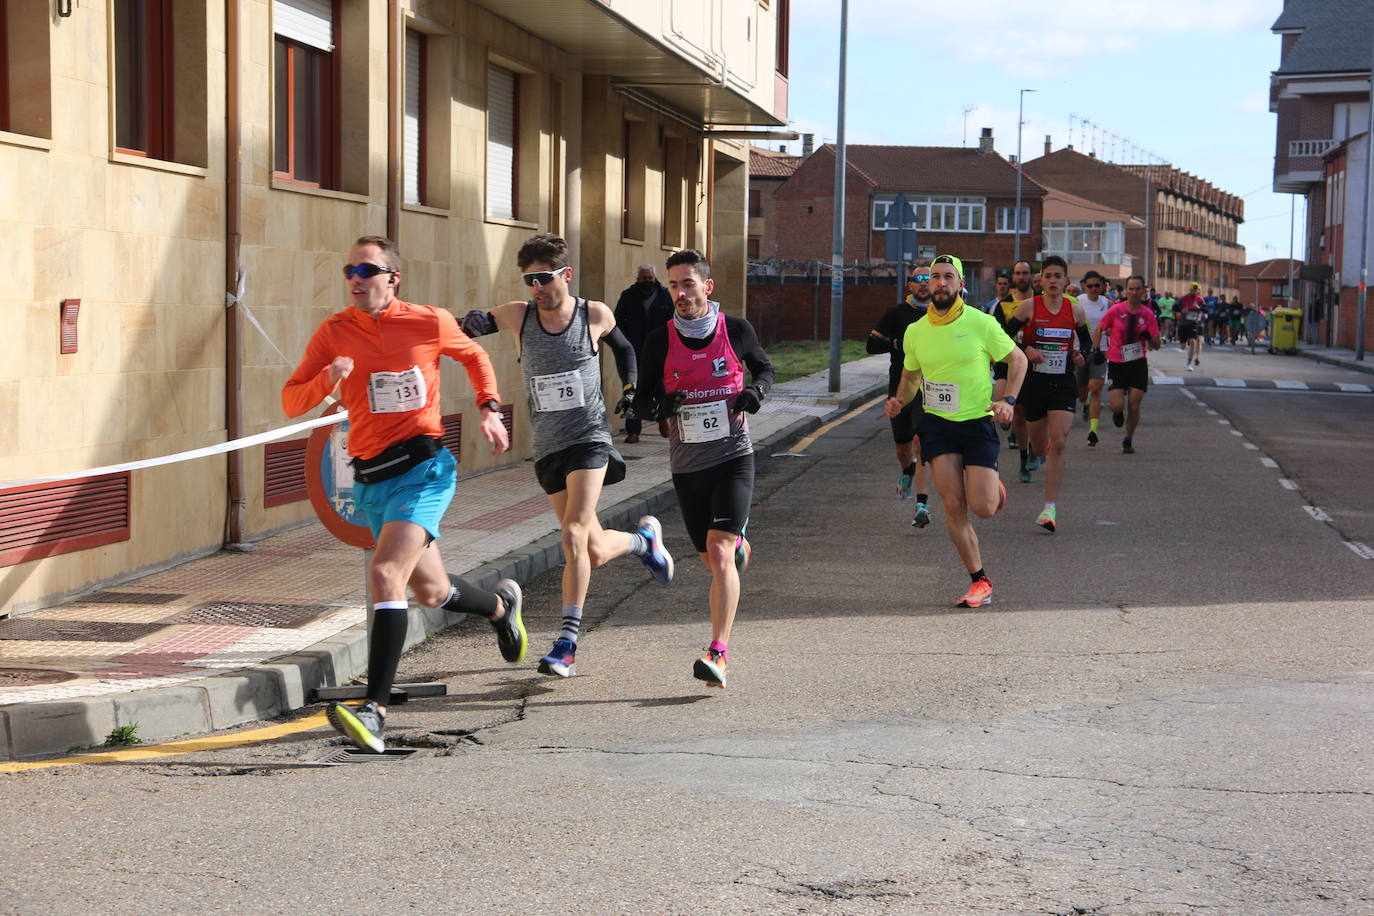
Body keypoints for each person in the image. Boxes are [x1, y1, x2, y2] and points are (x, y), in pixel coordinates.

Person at [282, 235, 524, 753]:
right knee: (431, 593)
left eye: (367, 270)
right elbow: (290, 400)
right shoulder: (334, 332)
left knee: (385, 573)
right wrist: (329, 376)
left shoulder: (428, 320)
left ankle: (374, 711)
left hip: (425, 469)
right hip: (372, 477)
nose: (355, 278)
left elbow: (475, 354)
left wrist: (489, 406)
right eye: (350, 269)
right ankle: (502, 609)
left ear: (393, 278)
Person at [461, 234, 673, 679]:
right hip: (548, 448)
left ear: (566, 274)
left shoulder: (592, 314)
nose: (536, 287)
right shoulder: (518, 317)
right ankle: (642, 542)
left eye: (544, 278)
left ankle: (566, 644)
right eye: (529, 280)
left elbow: (626, 349)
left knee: (574, 533)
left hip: (590, 438)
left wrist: (632, 390)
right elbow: (465, 327)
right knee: (591, 549)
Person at [634, 249, 774, 689]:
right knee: (713, 560)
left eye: (688, 283)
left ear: (706, 287)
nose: (679, 292)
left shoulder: (735, 329)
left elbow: (765, 369)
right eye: (673, 285)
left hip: (734, 457)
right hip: (686, 464)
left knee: (718, 551)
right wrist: (653, 406)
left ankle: (718, 652)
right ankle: (736, 547)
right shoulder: (659, 340)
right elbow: (642, 399)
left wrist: (755, 392)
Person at [885, 254, 1028, 608]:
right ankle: (980, 580)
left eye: (949, 276)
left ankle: (992, 489)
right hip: (937, 424)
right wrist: (899, 401)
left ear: (961, 284)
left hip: (977, 422)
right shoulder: (915, 331)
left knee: (982, 507)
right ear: (927, 284)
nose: (941, 283)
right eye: (935, 277)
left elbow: (1018, 360)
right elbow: (911, 377)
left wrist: (1008, 398)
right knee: (953, 505)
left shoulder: (981, 323)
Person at [1004, 255, 1091, 533]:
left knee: (1060, 443)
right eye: (1048, 276)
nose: (1053, 281)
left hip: (1063, 383)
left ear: (1066, 281)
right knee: (1042, 447)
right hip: (1034, 383)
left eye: (1058, 276)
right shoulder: (1029, 307)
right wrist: (1025, 349)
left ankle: (1049, 507)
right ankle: (1033, 451)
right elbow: (1004, 335)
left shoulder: (1075, 311)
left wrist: (1080, 355)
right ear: (1040, 280)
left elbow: (1087, 343)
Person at [868, 266, 933, 527]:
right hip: (900, 387)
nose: (924, 284)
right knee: (903, 447)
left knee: (922, 442)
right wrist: (895, 343)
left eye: (929, 278)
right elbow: (871, 345)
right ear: (910, 286)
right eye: (918, 279)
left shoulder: (941, 315)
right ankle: (907, 469)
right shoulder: (896, 314)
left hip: (929, 388)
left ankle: (922, 503)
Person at [1093, 275, 1161, 453]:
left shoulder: (1147, 314)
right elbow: (1100, 327)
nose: (1134, 292)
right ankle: (1117, 412)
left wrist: (1148, 338)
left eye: (1138, 289)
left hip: (1138, 363)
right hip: (1117, 362)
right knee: (1117, 405)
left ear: (1143, 290)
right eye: (1131, 289)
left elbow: (1157, 345)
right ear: (1126, 290)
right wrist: (1096, 351)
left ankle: (1128, 438)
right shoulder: (1116, 310)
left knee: (1134, 404)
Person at [613, 265, 674, 442]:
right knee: (633, 390)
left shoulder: (665, 296)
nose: (647, 281)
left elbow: (673, 321)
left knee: (661, 389)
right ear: (637, 279)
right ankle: (633, 430)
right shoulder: (628, 296)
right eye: (644, 278)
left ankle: (662, 419)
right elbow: (617, 322)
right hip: (634, 350)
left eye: (650, 278)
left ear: (655, 278)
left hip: (659, 350)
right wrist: (624, 343)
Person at [993, 260, 1035, 469]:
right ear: (1013, 277)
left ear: (1031, 276)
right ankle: (1024, 456)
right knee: (1016, 412)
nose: (1021, 277)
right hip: (1009, 361)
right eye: (1017, 273)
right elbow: (999, 336)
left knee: (1033, 414)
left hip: (1037, 364)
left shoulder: (1042, 302)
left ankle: (1035, 449)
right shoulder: (1003, 306)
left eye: (1025, 273)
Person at [1076, 271, 1113, 446]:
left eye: (1097, 285)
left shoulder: (1107, 303)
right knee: (1082, 393)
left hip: (1101, 350)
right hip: (1080, 350)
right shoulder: (1078, 301)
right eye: (1090, 286)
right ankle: (1086, 402)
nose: (1094, 289)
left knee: (1096, 387)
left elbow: (1115, 325)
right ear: (1084, 286)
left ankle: (1093, 431)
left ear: (1102, 286)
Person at [1177, 282, 1207, 371]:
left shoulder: (1200, 299)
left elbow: (1206, 309)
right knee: (1183, 346)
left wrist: (1199, 308)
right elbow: (1175, 307)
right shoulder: (1183, 298)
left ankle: (1189, 364)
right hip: (1183, 324)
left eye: (1196, 290)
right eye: (1193, 290)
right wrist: (1182, 310)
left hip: (1194, 323)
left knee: (1194, 343)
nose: (1195, 291)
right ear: (1190, 290)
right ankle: (1184, 344)